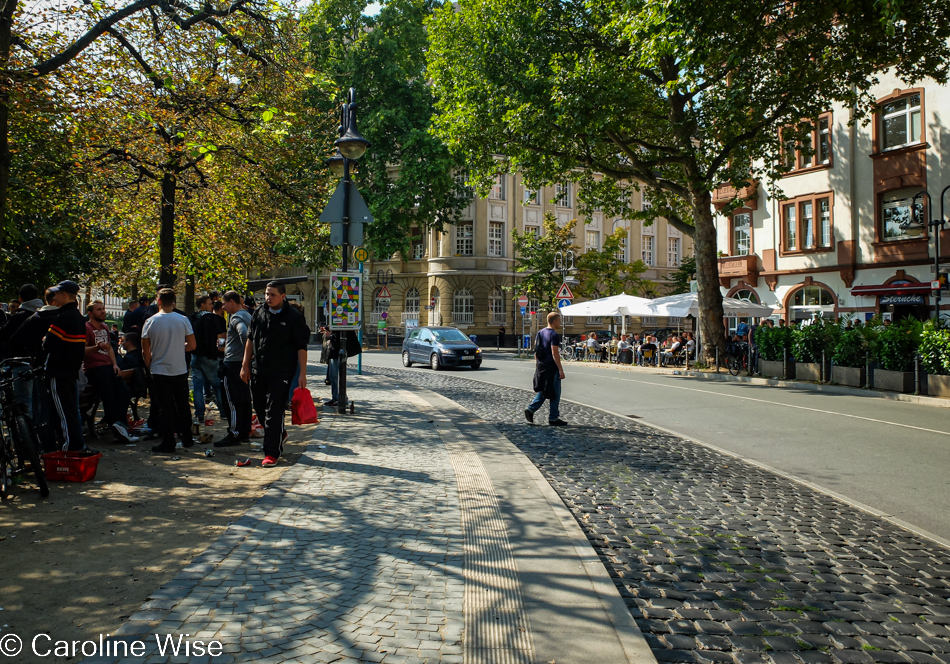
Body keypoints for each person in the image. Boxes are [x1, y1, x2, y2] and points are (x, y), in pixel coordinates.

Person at [240, 281, 309, 467]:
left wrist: (303, 373)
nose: (268, 298)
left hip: (282, 371)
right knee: (260, 408)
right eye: (267, 294)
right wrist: (245, 365)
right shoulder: (259, 313)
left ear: (283, 296)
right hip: (259, 369)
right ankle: (280, 433)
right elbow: (250, 340)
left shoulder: (294, 317)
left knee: (274, 412)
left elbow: (301, 347)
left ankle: (271, 453)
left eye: (273, 295)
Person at [142, 288, 196, 453]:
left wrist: (150, 366)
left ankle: (168, 441)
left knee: (165, 407)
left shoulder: (150, 322)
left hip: (159, 369)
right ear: (173, 301)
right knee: (183, 405)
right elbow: (192, 345)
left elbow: (145, 350)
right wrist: (178, 347)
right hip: (179, 368)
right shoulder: (183, 320)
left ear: (158, 301)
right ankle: (186, 437)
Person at [42, 280, 88, 452]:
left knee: (63, 413)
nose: (54, 298)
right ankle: (77, 445)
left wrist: (45, 340)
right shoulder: (78, 316)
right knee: (71, 411)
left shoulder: (62, 317)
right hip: (71, 371)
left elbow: (48, 345)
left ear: (63, 295)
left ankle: (70, 448)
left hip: (58, 371)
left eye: (56, 294)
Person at [84, 301, 133, 443]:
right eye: (99, 310)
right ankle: (117, 429)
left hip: (108, 366)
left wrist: (115, 365)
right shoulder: (86, 328)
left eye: (103, 309)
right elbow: (82, 350)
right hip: (95, 368)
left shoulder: (105, 327)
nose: (103, 312)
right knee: (109, 397)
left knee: (124, 392)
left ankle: (121, 424)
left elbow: (110, 349)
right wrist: (96, 347)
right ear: (90, 313)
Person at [216, 291, 252, 447]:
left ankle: (234, 433)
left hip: (233, 363)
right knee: (244, 399)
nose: (223, 307)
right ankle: (244, 432)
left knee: (232, 399)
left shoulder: (236, 317)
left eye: (224, 304)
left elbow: (244, 334)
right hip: (242, 363)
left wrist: (246, 353)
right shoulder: (249, 315)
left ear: (231, 301)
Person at [524, 311, 568, 426]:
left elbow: (536, 349)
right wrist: (560, 369)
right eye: (559, 321)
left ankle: (531, 409)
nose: (560, 323)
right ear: (554, 321)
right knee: (555, 392)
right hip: (551, 367)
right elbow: (555, 353)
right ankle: (553, 417)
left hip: (542, 365)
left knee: (545, 389)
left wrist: (537, 363)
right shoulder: (553, 335)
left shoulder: (540, 332)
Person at [190, 294, 226, 430]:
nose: (212, 306)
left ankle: (199, 414)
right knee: (217, 385)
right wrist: (221, 348)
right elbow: (220, 335)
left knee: (197, 386)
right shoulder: (212, 318)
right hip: (210, 355)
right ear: (203, 304)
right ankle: (223, 411)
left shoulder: (192, 317)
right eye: (210, 303)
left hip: (195, 354)